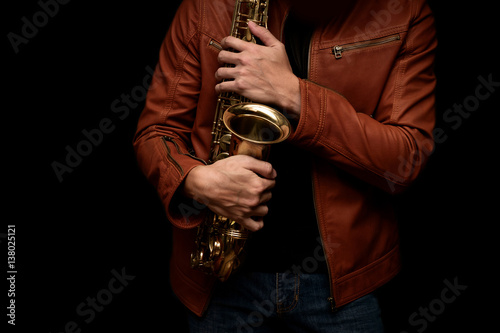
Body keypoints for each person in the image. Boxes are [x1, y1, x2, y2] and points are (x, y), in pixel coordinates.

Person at [133, 0, 437, 331]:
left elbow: (407, 159)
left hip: (346, 290)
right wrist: (197, 182)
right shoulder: (205, 6)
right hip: (218, 282)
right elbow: (157, 132)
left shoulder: (405, 10)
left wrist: (294, 94)